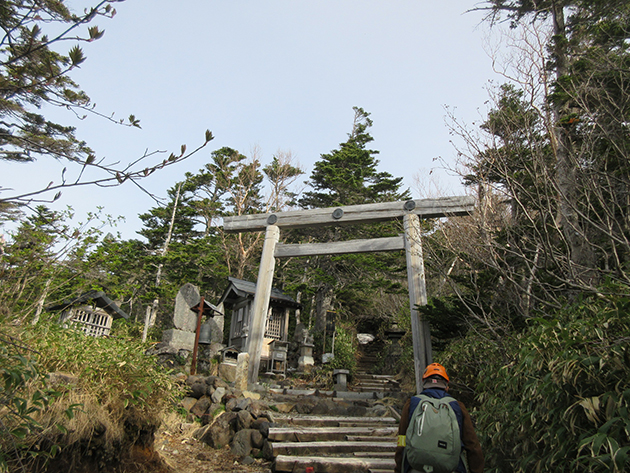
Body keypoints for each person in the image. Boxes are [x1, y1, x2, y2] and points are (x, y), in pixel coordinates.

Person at [394, 363, 484, 473]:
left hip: (416, 469)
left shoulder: (412, 404)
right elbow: (473, 446)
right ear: (447, 386)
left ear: (424, 383)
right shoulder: (458, 407)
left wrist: (399, 469)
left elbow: (402, 441)